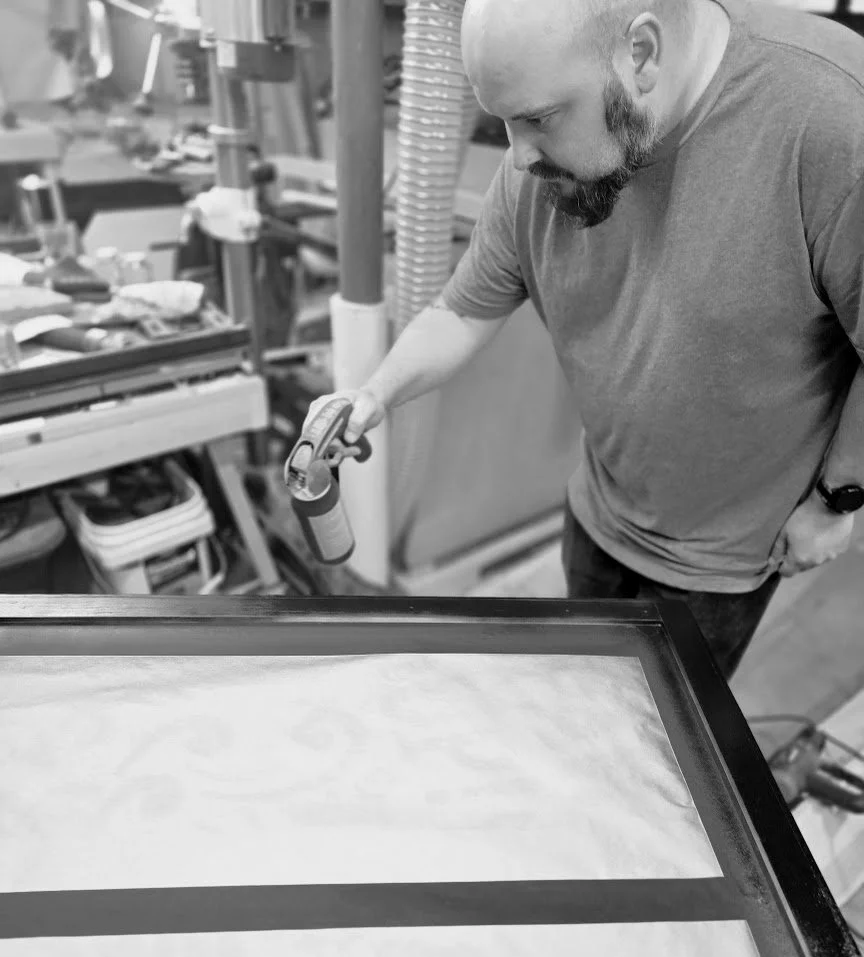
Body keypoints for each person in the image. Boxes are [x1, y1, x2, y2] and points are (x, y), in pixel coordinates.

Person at [304, 0, 864, 680]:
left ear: (642, 55)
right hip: (600, 509)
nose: (517, 157)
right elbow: (461, 311)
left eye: (538, 118)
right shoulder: (534, 163)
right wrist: (372, 395)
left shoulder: (832, 121)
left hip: (727, 555)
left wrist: (837, 500)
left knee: (658, 748)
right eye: (502, 122)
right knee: (583, 696)